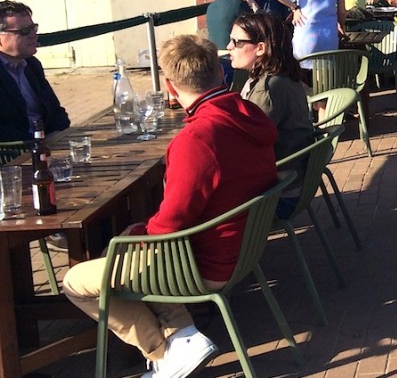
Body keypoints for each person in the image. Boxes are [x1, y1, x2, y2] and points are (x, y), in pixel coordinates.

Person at [62, 34, 278, 378]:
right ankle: (182, 335)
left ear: (170, 86)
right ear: (219, 72)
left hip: (205, 263)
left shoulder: (197, 138)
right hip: (241, 246)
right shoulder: (248, 113)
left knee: (75, 281)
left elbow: (171, 224)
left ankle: (163, 351)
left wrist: (136, 234)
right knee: (129, 243)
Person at [228, 13, 315, 217]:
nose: (229, 46)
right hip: (294, 183)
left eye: (237, 42)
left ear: (260, 48)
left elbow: (247, 145)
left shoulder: (267, 89)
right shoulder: (283, 75)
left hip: (279, 195)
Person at [0, 0, 69, 141]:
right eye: (24, 31)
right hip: (14, 151)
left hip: (46, 145)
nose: (33, 35)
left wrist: (55, 136)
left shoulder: (31, 64)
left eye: (33, 28)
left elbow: (56, 112)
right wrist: (34, 144)